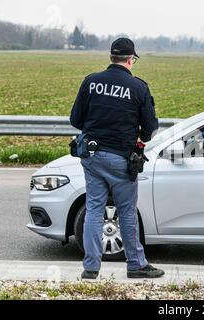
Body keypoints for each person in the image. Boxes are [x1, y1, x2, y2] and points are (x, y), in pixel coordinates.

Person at [70, 38, 164, 280]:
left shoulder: (91, 82)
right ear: (131, 60)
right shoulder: (138, 87)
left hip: (91, 156)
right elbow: (150, 127)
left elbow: (76, 120)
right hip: (121, 159)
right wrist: (139, 139)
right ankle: (136, 265)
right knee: (127, 212)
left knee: (93, 210)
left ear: (111, 57)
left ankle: (91, 268)